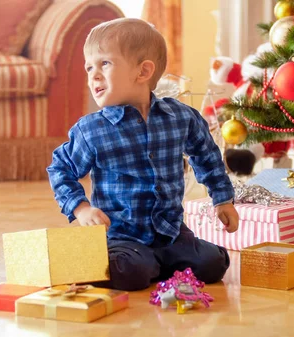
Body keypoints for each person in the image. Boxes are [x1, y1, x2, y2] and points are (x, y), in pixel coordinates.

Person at [47, 18, 239, 291]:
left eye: (104, 63)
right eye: (89, 67)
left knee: (214, 264)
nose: (93, 75)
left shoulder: (180, 117)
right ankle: (129, 262)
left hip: (171, 233)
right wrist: (81, 208)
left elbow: (206, 154)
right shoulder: (91, 130)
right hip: (123, 236)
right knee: (128, 270)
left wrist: (222, 199)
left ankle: (157, 262)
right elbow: (60, 169)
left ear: (143, 71)